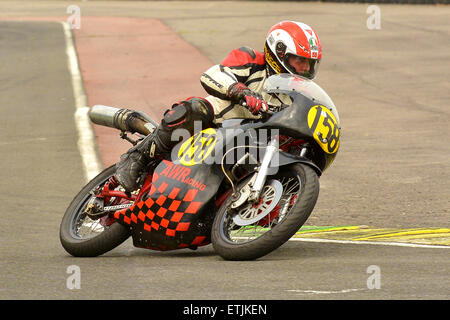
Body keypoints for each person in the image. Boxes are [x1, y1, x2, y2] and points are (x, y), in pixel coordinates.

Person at [115, 20, 322, 192]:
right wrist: (241, 92)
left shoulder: (298, 92)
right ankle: (138, 156)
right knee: (194, 108)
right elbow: (213, 74)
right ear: (279, 52)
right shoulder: (251, 58)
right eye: (299, 60)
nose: (304, 68)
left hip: (250, 141)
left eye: (309, 63)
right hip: (216, 124)